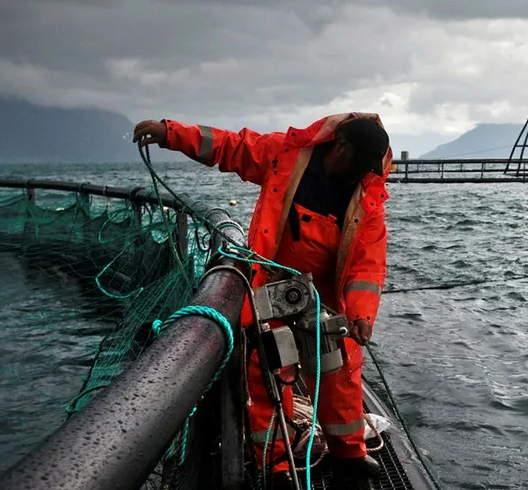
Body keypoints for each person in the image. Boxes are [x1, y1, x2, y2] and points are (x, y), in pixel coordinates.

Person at [133, 113, 392, 489]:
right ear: (340, 146)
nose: (361, 174)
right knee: (269, 372)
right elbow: (228, 146)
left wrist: (362, 315)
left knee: (339, 372)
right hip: (269, 286)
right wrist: (170, 133)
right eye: (357, 164)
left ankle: (349, 455)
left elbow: (367, 265)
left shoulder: (368, 197)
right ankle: (276, 466)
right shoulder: (283, 154)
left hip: (323, 299)